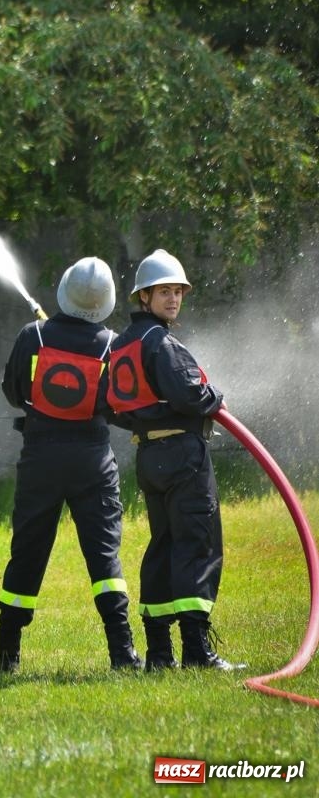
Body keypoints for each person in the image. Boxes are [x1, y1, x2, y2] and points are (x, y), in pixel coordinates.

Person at [0, 256, 141, 675]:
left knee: (27, 552)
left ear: (64, 291)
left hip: (40, 458)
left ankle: (8, 655)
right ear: (105, 301)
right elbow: (118, 404)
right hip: (92, 461)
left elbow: (12, 391)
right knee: (104, 557)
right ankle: (122, 653)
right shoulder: (113, 346)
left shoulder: (33, 336)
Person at [108, 248, 243, 672]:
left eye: (177, 291)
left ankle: (160, 654)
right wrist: (214, 397)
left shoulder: (122, 345)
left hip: (149, 456)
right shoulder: (161, 342)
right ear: (143, 297)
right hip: (183, 457)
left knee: (163, 546)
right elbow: (190, 394)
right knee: (196, 544)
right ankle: (198, 652)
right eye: (163, 291)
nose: (172, 299)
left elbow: (110, 405)